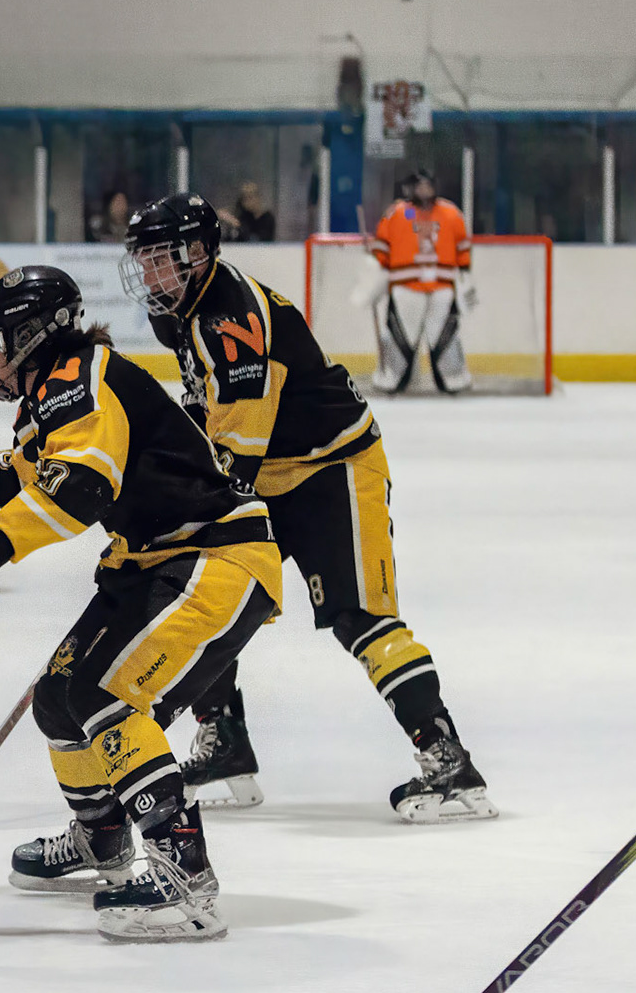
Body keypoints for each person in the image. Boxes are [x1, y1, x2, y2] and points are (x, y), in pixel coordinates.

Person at [0, 266, 282, 942]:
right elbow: (25, 474)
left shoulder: (84, 376)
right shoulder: (55, 392)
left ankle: (185, 879)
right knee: (58, 697)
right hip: (156, 561)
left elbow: (80, 486)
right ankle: (102, 838)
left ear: (31, 336)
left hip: (214, 559)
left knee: (107, 696)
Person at [121, 193, 495, 824]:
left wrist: (160, 506)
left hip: (332, 468)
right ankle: (225, 741)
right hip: (271, 468)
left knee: (360, 618)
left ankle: (447, 756)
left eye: (160, 258)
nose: (149, 273)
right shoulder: (178, 310)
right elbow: (210, 412)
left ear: (197, 252)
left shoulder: (228, 317)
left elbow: (234, 458)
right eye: (144, 259)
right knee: (206, 598)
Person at [359, 169, 475, 394]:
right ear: (410, 189)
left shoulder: (451, 213)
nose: (424, 190)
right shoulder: (396, 213)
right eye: (420, 186)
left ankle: (454, 379)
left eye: (428, 186)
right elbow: (382, 249)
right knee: (399, 338)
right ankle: (391, 378)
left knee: (445, 338)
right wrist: (373, 272)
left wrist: (464, 277)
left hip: (441, 288)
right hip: (406, 288)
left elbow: (463, 248)